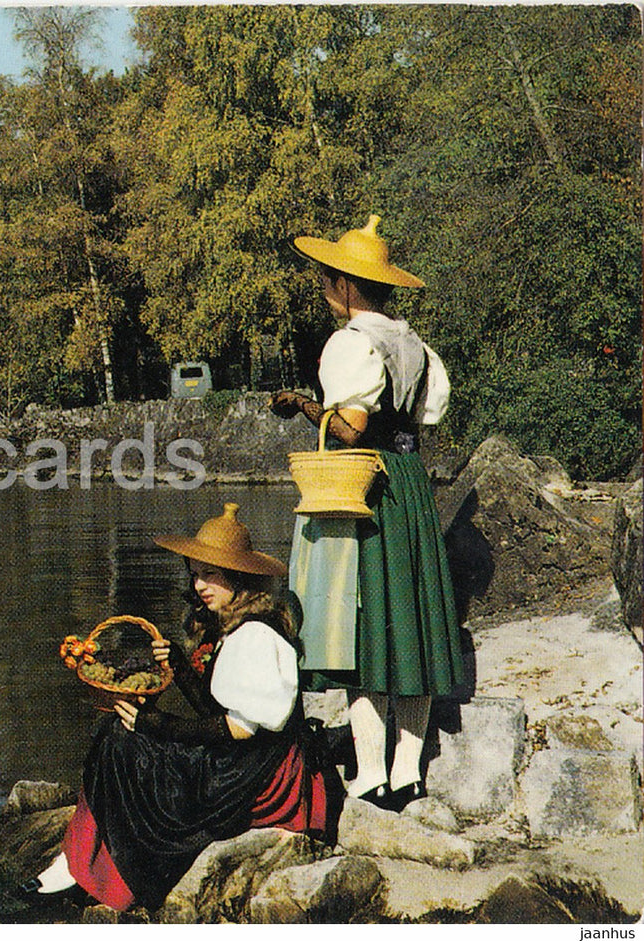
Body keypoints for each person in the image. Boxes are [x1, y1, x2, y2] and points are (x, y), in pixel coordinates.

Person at [25, 504, 339, 911]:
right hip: (245, 761)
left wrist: (159, 724)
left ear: (239, 578)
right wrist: (179, 667)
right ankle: (76, 859)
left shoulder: (257, 636)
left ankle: (88, 869)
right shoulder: (234, 627)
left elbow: (240, 730)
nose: (200, 584)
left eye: (211, 574)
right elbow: (221, 709)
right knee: (117, 735)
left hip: (257, 777)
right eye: (195, 574)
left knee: (123, 742)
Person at [271, 214, 467, 810]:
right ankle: (407, 772)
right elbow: (421, 420)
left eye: (329, 279)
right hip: (410, 481)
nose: (327, 289)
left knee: (364, 624)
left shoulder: (351, 343)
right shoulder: (417, 347)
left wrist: (303, 405)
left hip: (369, 485)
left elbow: (353, 427)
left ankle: (370, 774)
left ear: (349, 287)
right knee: (411, 622)